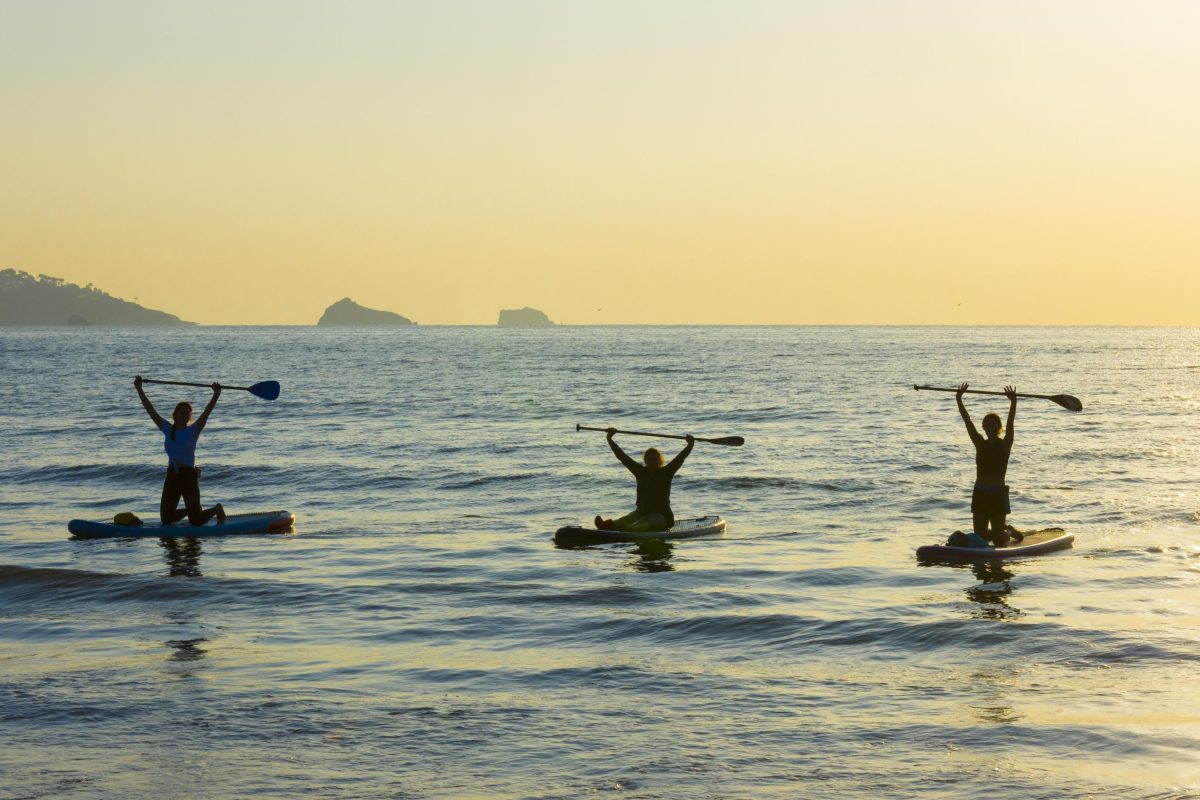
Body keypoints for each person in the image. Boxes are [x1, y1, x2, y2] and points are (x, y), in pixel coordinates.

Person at [135, 376, 226, 527]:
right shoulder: (167, 428)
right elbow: (150, 410)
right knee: (166, 518)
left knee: (196, 521)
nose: (184, 415)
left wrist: (216, 395)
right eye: (181, 412)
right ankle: (192, 511)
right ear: (175, 414)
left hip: (188, 476)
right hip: (172, 475)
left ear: (189, 417)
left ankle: (217, 509)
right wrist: (139, 389)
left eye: (187, 413)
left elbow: (207, 412)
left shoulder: (194, 430)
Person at [594, 428, 694, 532]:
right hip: (640, 513)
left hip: (661, 517)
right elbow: (622, 457)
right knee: (626, 519)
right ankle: (606, 526)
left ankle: (629, 530)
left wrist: (690, 445)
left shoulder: (666, 472)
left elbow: (680, 458)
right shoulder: (639, 471)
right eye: (649, 459)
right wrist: (609, 439)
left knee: (646, 523)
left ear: (660, 460)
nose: (652, 462)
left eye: (655, 459)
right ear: (645, 460)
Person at [956, 382, 1019, 547]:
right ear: (983, 426)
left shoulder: (1005, 445)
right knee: (980, 537)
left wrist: (1013, 403)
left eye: (993, 423)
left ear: (998, 427)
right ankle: (1003, 531)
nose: (989, 425)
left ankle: (1009, 532)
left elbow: (1011, 423)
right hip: (980, 493)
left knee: (998, 540)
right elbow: (967, 421)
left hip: (997, 494)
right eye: (987, 423)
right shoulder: (979, 443)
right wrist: (959, 399)